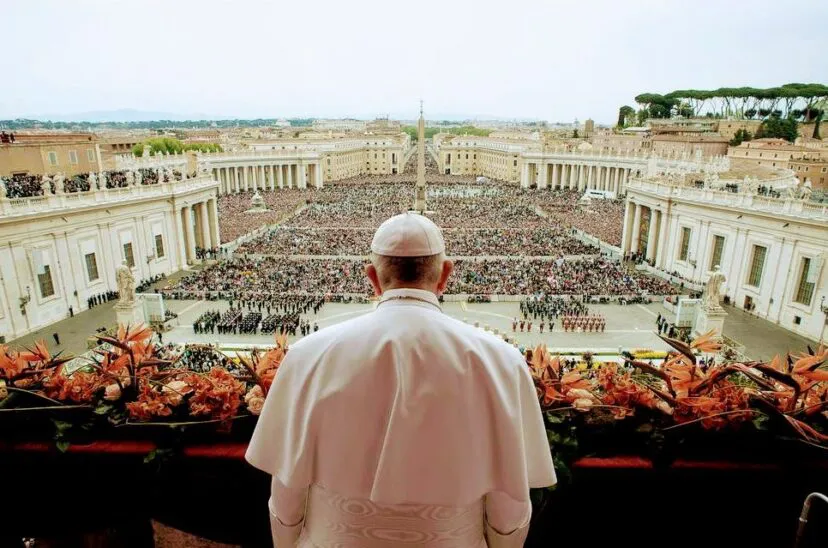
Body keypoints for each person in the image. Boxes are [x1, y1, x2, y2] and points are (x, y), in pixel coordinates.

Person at [246, 212, 555, 548]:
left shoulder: (308, 354)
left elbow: (287, 487)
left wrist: (287, 541)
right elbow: (508, 497)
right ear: (445, 275)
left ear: (372, 278)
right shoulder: (501, 360)